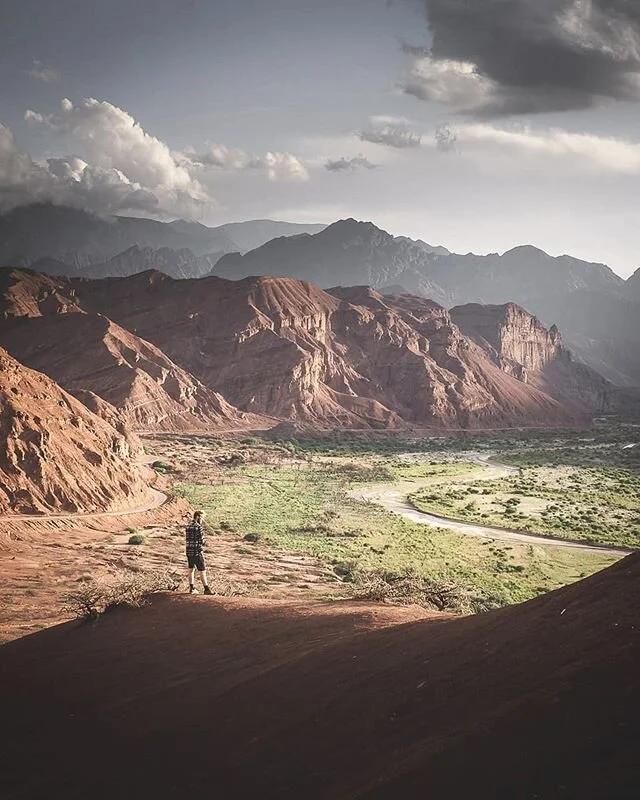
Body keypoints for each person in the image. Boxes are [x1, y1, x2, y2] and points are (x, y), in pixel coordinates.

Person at [185, 510, 212, 595]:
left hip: (189, 551)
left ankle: (192, 588)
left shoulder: (188, 526)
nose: (202, 520)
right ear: (198, 516)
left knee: (191, 569)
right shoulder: (198, 527)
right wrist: (206, 541)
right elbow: (202, 541)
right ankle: (206, 589)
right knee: (202, 570)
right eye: (202, 517)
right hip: (197, 551)